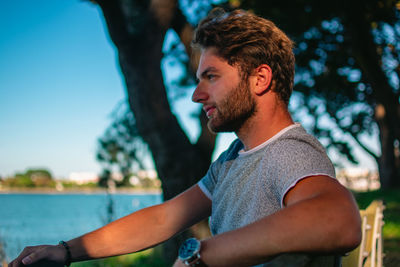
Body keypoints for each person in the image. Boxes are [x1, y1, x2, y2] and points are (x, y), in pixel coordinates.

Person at [10, 8, 361, 267]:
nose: (197, 95)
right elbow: (165, 217)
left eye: (211, 76)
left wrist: (201, 256)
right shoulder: (234, 158)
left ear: (260, 79)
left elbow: (339, 220)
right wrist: (67, 250)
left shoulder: (288, 153)